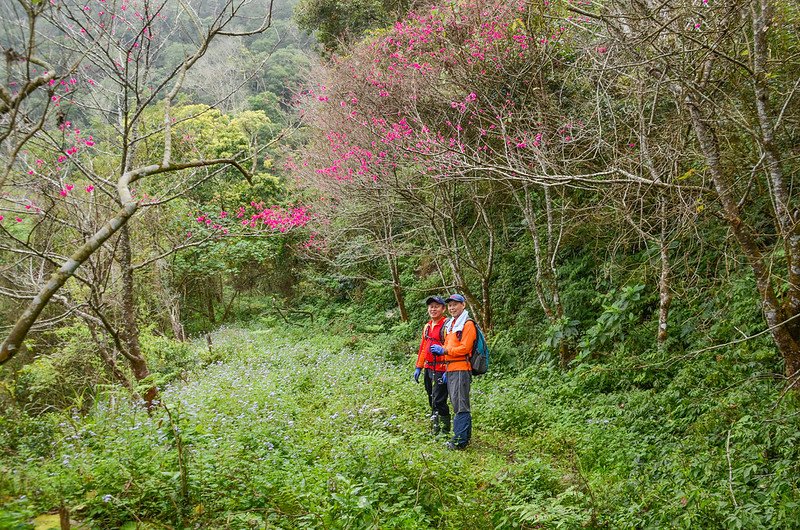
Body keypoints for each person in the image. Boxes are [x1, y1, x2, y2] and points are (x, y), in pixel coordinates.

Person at [430, 293, 475, 450]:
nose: (452, 307)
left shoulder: (467, 324)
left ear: (463, 305)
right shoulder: (452, 325)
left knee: (460, 405)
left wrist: (444, 351)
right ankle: (465, 438)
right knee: (458, 402)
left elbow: (465, 348)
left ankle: (459, 441)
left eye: (455, 304)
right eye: (450, 305)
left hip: (461, 368)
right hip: (451, 368)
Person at [413, 295, 451, 436]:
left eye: (436, 306)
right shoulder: (427, 327)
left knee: (439, 399)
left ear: (443, 308)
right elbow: (423, 347)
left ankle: (445, 430)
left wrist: (448, 368)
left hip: (441, 368)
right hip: (429, 368)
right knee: (431, 397)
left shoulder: (447, 325)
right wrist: (419, 366)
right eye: (431, 307)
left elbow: (451, 346)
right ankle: (435, 428)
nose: (433, 309)